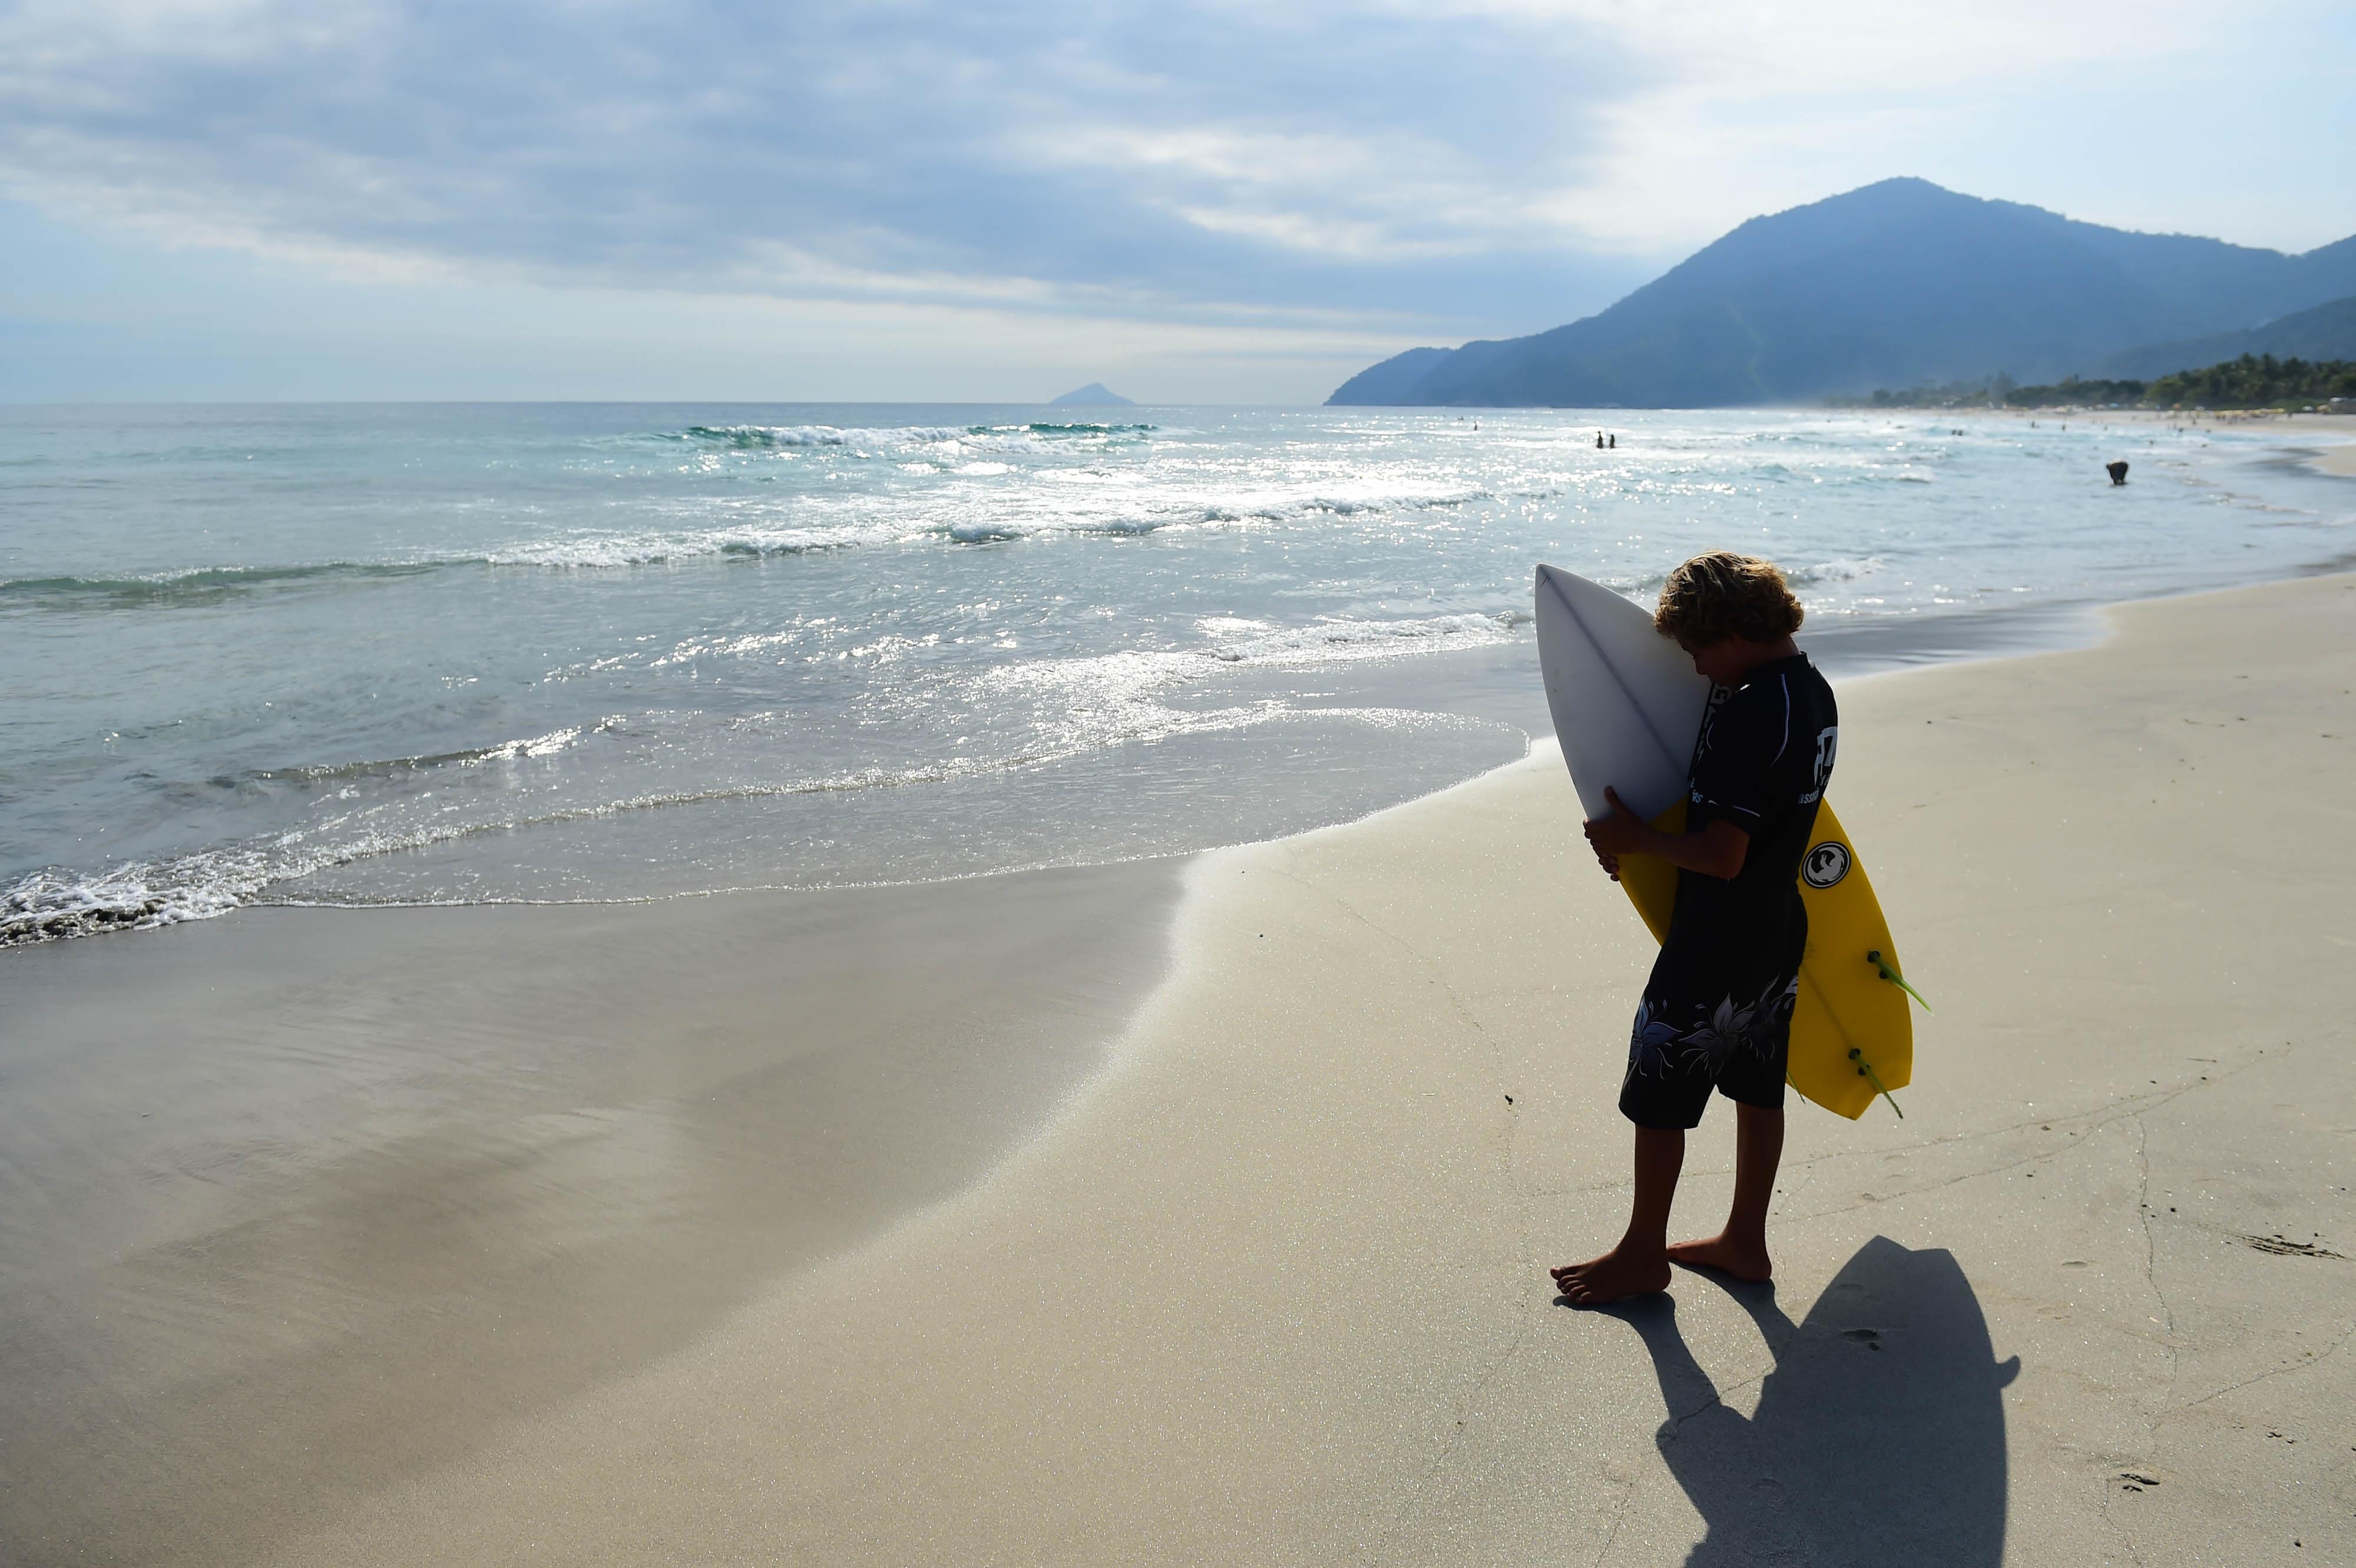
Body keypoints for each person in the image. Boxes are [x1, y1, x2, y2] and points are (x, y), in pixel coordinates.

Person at [1552, 552, 1838, 1305]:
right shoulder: (1811, 693)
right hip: (1777, 926)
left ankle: (1642, 1255)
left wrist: (1636, 839)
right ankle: (1745, 1239)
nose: (1697, 669)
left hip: (1718, 939)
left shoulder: (1750, 714)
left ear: (1734, 631)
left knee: (1658, 1097)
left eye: (1696, 650)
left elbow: (1720, 854)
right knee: (1757, 1086)